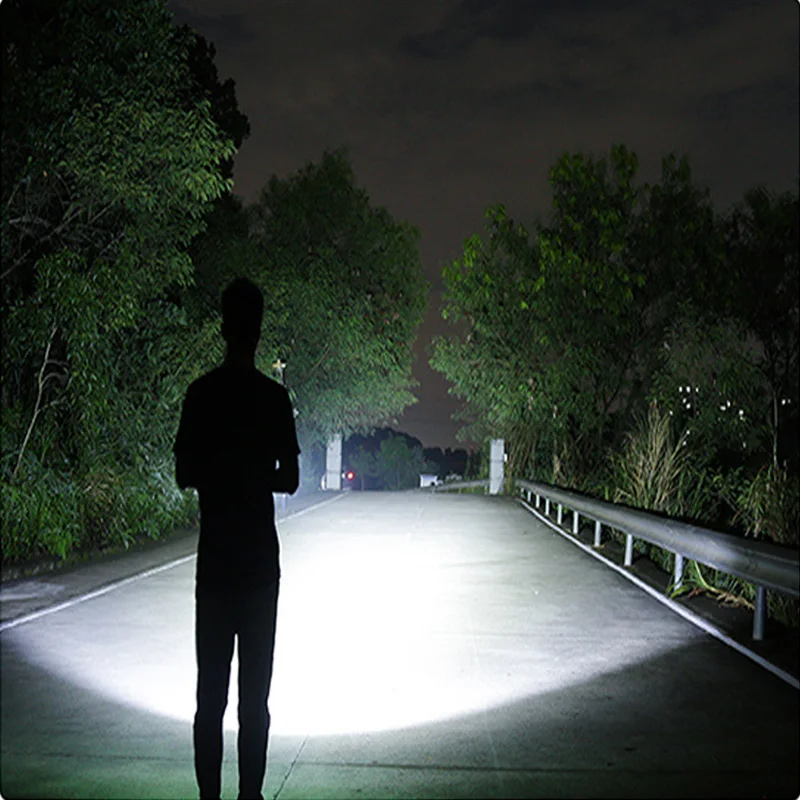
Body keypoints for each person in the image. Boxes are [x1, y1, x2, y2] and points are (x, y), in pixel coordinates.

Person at [174, 277, 300, 800]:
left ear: (224, 327)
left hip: (216, 565)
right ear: (258, 330)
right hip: (259, 568)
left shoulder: (202, 394)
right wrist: (253, 474)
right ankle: (251, 796)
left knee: (210, 699)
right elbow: (290, 479)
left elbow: (183, 472)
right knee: (254, 701)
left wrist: (220, 473)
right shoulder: (273, 398)